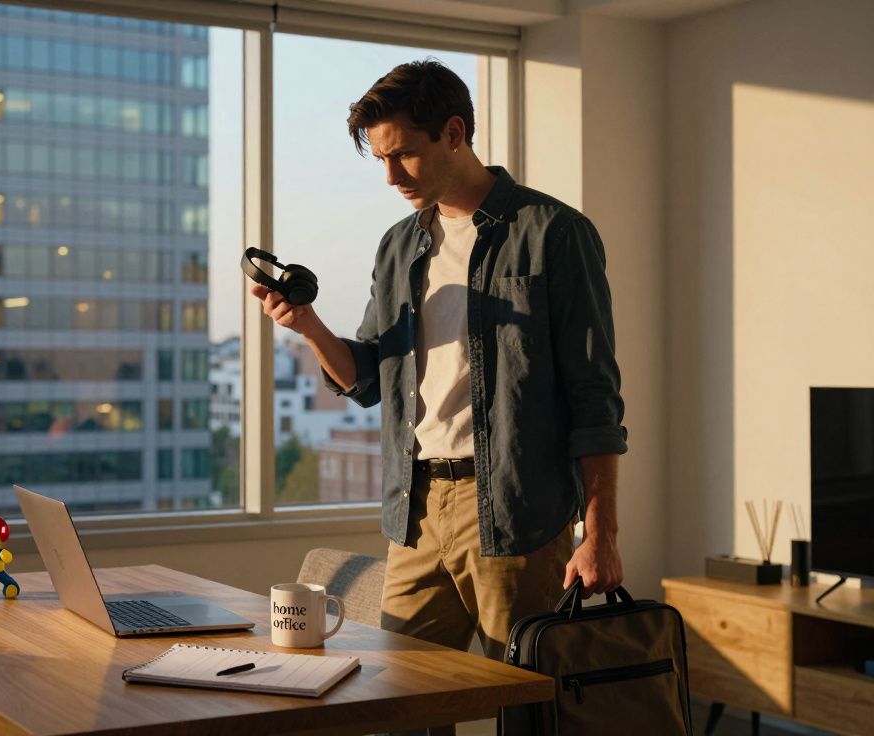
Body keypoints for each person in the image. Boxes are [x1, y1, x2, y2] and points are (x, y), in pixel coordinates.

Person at [250, 59, 627, 732]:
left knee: (528, 708)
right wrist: (305, 324)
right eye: (380, 160)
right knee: (399, 703)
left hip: (517, 511)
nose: (390, 177)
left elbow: (595, 398)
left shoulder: (553, 234)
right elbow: (366, 377)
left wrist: (599, 534)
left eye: (404, 156)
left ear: (455, 132)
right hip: (416, 512)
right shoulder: (399, 247)